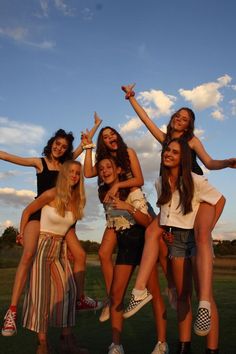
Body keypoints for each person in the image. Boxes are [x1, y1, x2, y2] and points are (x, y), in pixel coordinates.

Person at [121, 84, 236, 336]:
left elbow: (208, 162)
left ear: (188, 126)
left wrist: (226, 163)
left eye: (185, 119)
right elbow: (146, 121)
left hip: (195, 193)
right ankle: (140, 291)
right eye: (177, 115)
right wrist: (131, 100)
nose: (179, 119)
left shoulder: (191, 141)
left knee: (202, 235)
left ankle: (204, 303)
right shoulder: (166, 141)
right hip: (173, 197)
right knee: (153, 232)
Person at [1, 116, 102, 337]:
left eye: (64, 146)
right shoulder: (40, 162)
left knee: (80, 255)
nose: (60, 148)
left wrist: (95, 127)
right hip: (40, 214)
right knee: (28, 255)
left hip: (63, 217)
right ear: (51, 143)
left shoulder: (67, 165)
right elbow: (10, 156)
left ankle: (79, 299)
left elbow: (84, 147)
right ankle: (12, 312)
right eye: (57, 144)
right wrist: (21, 230)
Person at [156, 139, 224, 353]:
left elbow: (220, 200)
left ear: (183, 158)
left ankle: (212, 350)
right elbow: (168, 213)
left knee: (206, 296)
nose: (168, 154)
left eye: (174, 152)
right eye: (167, 150)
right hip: (176, 241)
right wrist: (167, 232)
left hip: (197, 240)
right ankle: (184, 347)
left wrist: (209, 228)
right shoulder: (161, 182)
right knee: (183, 295)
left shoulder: (195, 181)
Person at [97, 156, 168, 354]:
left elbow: (147, 222)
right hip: (126, 245)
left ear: (119, 170)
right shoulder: (104, 193)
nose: (104, 171)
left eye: (108, 167)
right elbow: (114, 223)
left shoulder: (133, 190)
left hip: (143, 244)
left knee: (154, 295)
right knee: (117, 296)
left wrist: (128, 206)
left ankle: (162, 344)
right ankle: (116, 345)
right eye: (101, 168)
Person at [20, 160, 89, 354]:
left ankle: (66, 340)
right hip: (42, 245)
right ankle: (42, 344)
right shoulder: (51, 194)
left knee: (68, 290)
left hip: (59, 247)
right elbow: (28, 211)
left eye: (77, 173)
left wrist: (69, 245)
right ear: (64, 174)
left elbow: (68, 227)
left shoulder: (76, 201)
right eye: (71, 172)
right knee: (41, 296)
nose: (74, 176)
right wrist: (21, 234)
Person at [82, 116, 144, 322]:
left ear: (118, 136)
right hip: (116, 211)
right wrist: (88, 147)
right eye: (106, 137)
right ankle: (112, 298)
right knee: (103, 253)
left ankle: (153, 291)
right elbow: (88, 172)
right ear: (104, 143)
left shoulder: (128, 153)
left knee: (153, 249)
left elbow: (140, 179)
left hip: (134, 204)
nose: (110, 138)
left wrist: (117, 186)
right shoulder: (106, 163)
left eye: (112, 134)